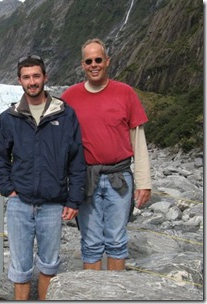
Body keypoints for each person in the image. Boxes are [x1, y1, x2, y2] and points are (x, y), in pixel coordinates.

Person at [0, 55, 86, 300]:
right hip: (20, 203)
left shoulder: (64, 115)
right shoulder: (9, 118)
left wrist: (73, 200)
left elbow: (76, 159)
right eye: (26, 77)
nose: (32, 82)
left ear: (45, 77)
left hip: (53, 204)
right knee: (20, 268)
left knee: (49, 264)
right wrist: (7, 188)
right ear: (19, 81)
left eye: (36, 76)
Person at [61, 38, 152, 271]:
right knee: (90, 243)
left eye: (98, 60)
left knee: (117, 241)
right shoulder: (69, 97)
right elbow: (52, 133)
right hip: (85, 178)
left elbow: (138, 140)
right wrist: (5, 131)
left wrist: (144, 182)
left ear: (107, 61)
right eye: (89, 61)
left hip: (119, 177)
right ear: (82, 64)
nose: (94, 65)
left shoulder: (126, 93)